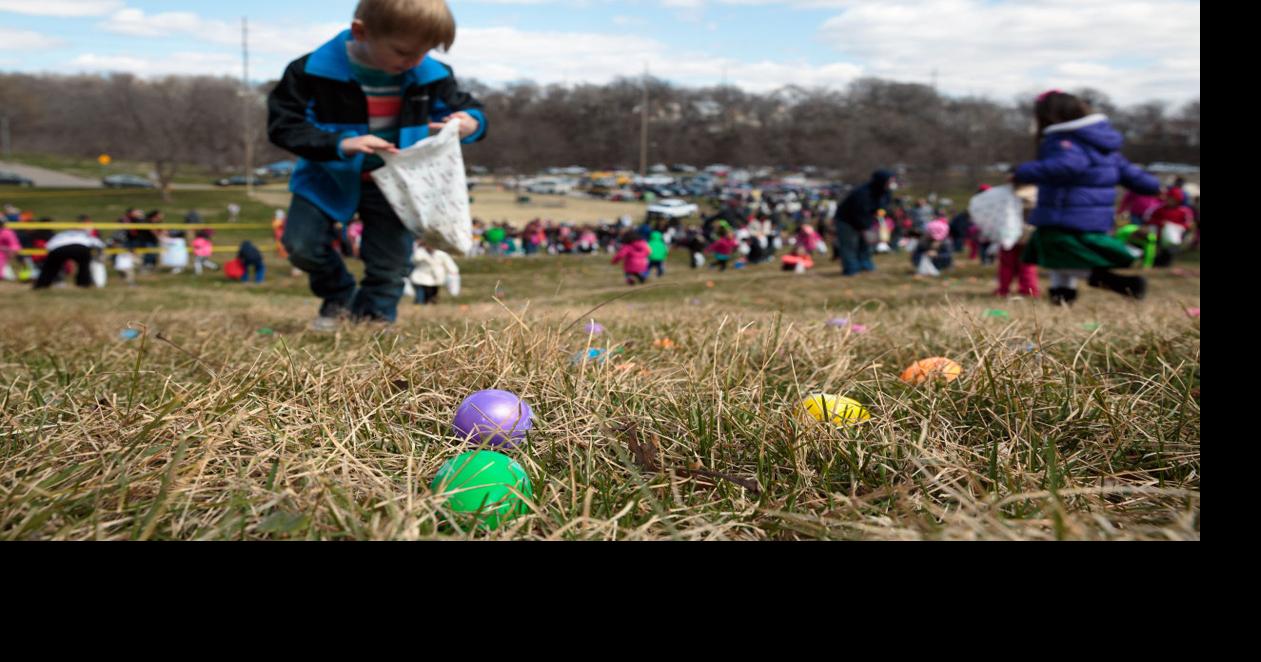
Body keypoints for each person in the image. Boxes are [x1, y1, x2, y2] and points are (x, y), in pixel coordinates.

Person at [268, 0, 487, 331]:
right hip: (327, 176)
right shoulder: (311, 71)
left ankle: (373, 318)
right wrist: (341, 143)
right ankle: (339, 296)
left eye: (423, 52)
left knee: (390, 262)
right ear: (361, 32)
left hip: (396, 181)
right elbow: (284, 125)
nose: (413, 61)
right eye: (402, 51)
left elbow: (468, 109)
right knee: (301, 245)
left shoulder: (431, 74)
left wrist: (471, 122)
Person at [1014, 90, 1160, 305]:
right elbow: (1129, 173)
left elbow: (1067, 165)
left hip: (1063, 212)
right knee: (1062, 260)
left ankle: (1118, 283)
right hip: (1092, 217)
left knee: (1058, 256)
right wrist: (1152, 186)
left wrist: (1021, 172)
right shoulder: (1100, 144)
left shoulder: (1063, 140)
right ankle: (1061, 298)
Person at [834, 169, 896, 275]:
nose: (892, 184)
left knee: (866, 245)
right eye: (889, 181)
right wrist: (864, 228)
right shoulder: (863, 193)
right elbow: (858, 212)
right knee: (850, 245)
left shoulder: (885, 192)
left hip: (867, 221)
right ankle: (851, 269)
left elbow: (883, 206)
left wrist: (882, 213)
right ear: (881, 181)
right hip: (847, 220)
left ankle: (865, 265)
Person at [32, 229, 105, 289]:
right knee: (84, 266)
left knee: (50, 268)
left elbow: (48, 246)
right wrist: (100, 254)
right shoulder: (83, 235)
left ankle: (42, 285)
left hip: (58, 247)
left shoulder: (59, 235)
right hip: (80, 247)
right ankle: (84, 284)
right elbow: (98, 243)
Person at [408, 238, 459, 304]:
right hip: (420, 277)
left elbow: (449, 264)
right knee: (421, 295)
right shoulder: (420, 253)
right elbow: (414, 260)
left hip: (435, 278)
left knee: (432, 294)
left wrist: (453, 272)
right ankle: (419, 304)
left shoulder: (441, 254)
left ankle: (431, 303)